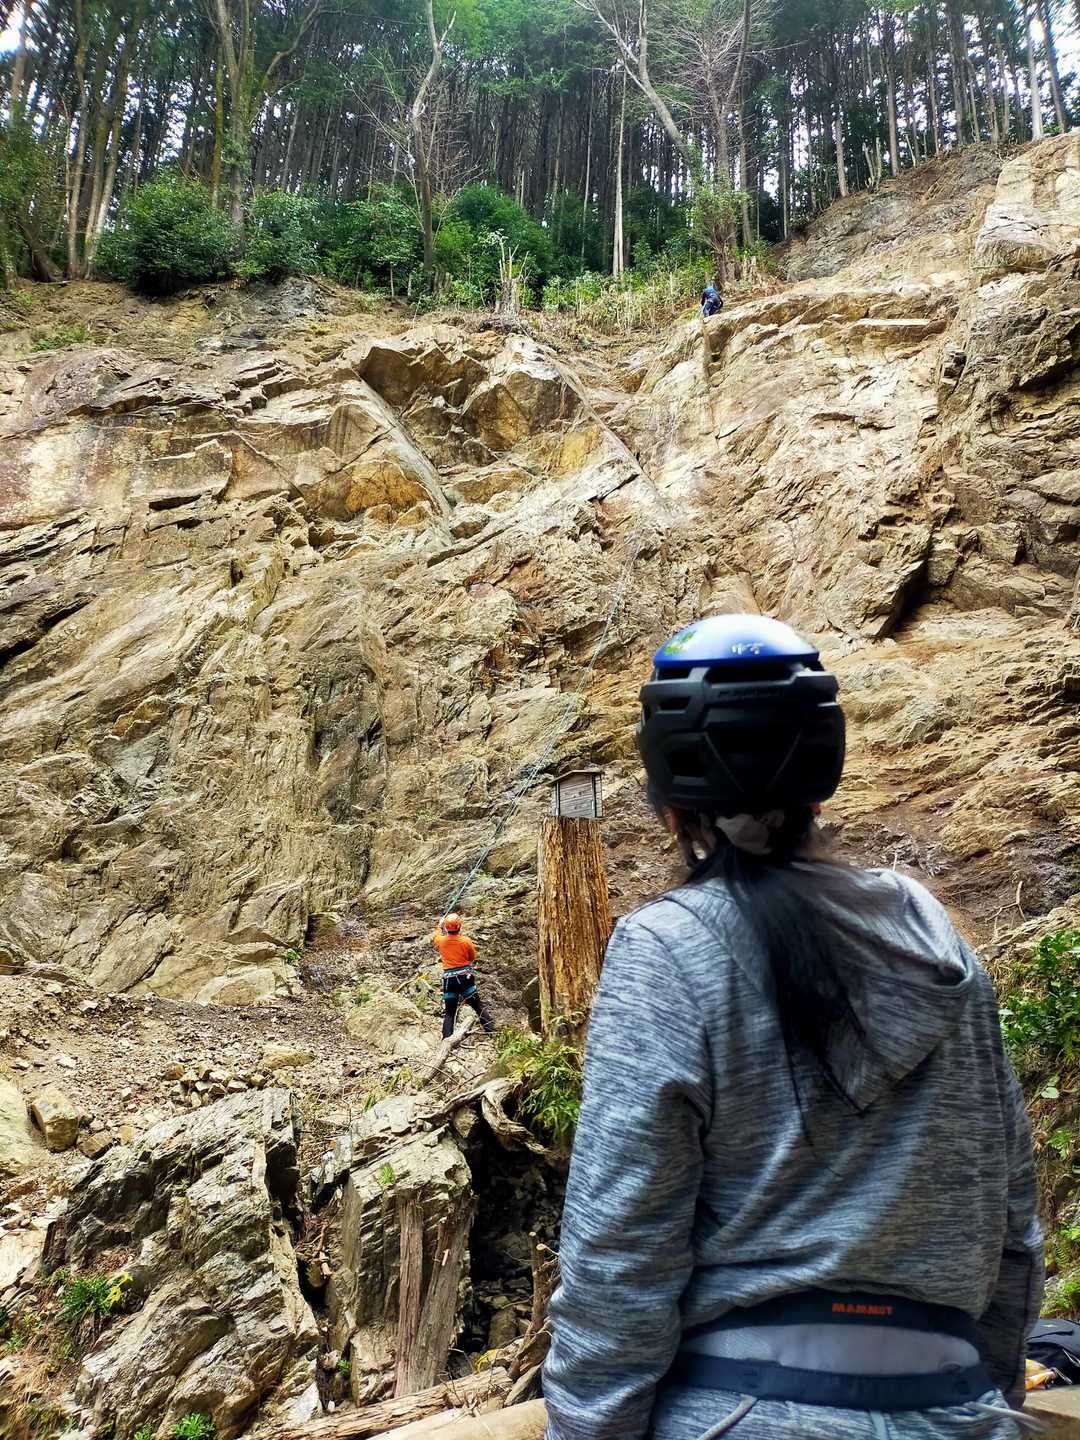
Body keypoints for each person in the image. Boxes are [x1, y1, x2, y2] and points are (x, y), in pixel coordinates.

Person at [543, 613, 1044, 1440]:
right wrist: (983, 1396)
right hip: (953, 1410)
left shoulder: (668, 950)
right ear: (821, 778)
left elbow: (620, 1255)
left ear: (670, 800)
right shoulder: (938, 946)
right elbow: (1013, 1222)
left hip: (740, 1410)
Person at [431, 912, 496, 1039]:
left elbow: (436, 935)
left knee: (450, 1013)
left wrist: (439, 925)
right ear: (459, 926)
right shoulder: (465, 941)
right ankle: (492, 1033)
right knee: (478, 1006)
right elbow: (472, 957)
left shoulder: (441, 941)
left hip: (449, 980)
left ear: (446, 928)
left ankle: (446, 1040)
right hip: (465, 979)